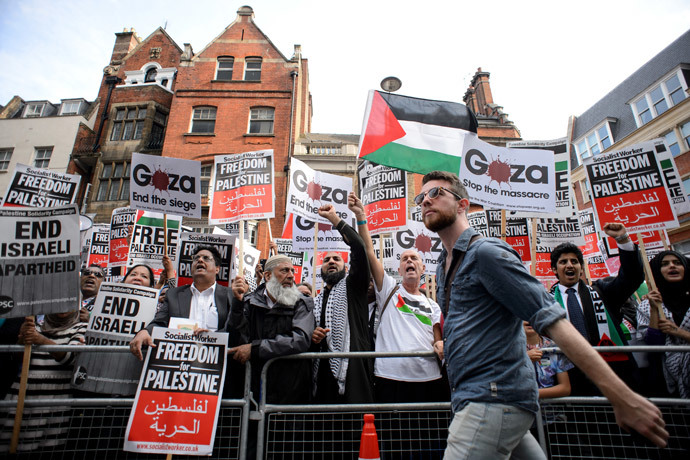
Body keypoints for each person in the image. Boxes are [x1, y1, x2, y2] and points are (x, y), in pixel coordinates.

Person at [417, 170, 667, 458]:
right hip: (477, 397)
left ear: (463, 204)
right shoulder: (442, 265)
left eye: (436, 193)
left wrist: (621, 396)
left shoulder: (485, 253)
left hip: (491, 398)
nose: (426, 201)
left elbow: (552, 321)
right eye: (421, 197)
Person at [349, 192, 446, 403]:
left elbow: (438, 340)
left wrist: (440, 346)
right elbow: (369, 252)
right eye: (404, 259)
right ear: (400, 269)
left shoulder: (433, 306)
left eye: (414, 258)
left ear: (422, 268)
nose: (409, 260)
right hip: (390, 378)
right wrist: (360, 216)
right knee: (393, 435)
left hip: (429, 379)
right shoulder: (389, 291)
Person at [549, 235, 644, 395]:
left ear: (581, 267)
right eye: (563, 262)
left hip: (610, 373)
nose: (569, 265)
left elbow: (632, 277)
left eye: (574, 261)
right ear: (554, 269)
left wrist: (623, 241)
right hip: (570, 377)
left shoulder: (603, 292)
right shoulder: (547, 301)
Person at [228, 254, 315, 404]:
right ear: (267, 275)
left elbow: (300, 339)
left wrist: (255, 349)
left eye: (293, 271)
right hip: (255, 386)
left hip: (291, 387)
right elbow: (238, 338)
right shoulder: (249, 303)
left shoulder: (302, 303)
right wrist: (237, 304)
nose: (291, 276)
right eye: (285, 271)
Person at [311, 204, 374, 404]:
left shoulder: (354, 286)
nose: (331, 261)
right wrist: (314, 334)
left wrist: (335, 219)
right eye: (326, 259)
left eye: (336, 259)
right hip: (321, 375)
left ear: (345, 266)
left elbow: (359, 246)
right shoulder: (315, 301)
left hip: (353, 373)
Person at [0, 312, 87, 452]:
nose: (63, 310)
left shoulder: (81, 328)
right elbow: (15, 358)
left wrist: (41, 340)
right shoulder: (35, 327)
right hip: (24, 391)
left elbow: (69, 358)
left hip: (54, 396)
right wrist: (22, 339)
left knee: (47, 447)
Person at [129, 246, 230, 360]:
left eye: (206, 258)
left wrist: (211, 337)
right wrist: (145, 332)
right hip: (178, 364)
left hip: (214, 363)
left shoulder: (229, 296)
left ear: (217, 269)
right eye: (196, 258)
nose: (200, 260)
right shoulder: (174, 295)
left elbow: (234, 329)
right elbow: (160, 322)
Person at [637, 250, 690, 398]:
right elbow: (654, 344)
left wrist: (679, 333)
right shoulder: (647, 305)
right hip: (664, 377)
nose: (672, 266)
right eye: (665, 264)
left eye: (677, 263)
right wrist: (654, 309)